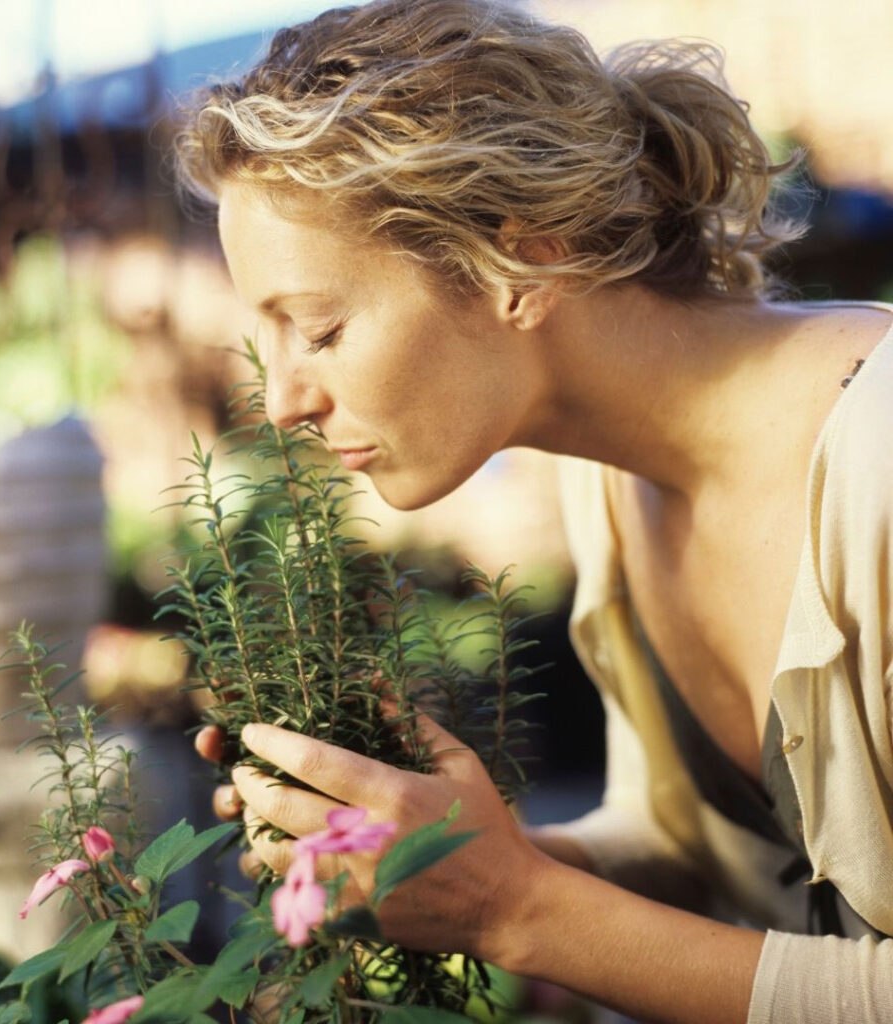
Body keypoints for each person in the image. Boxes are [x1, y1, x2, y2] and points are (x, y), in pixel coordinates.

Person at [177, 1, 893, 1020]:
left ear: (521, 261)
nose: (283, 398)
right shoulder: (615, 479)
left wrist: (517, 909)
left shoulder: (881, 463)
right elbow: (709, 861)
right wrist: (425, 861)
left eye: (320, 328)